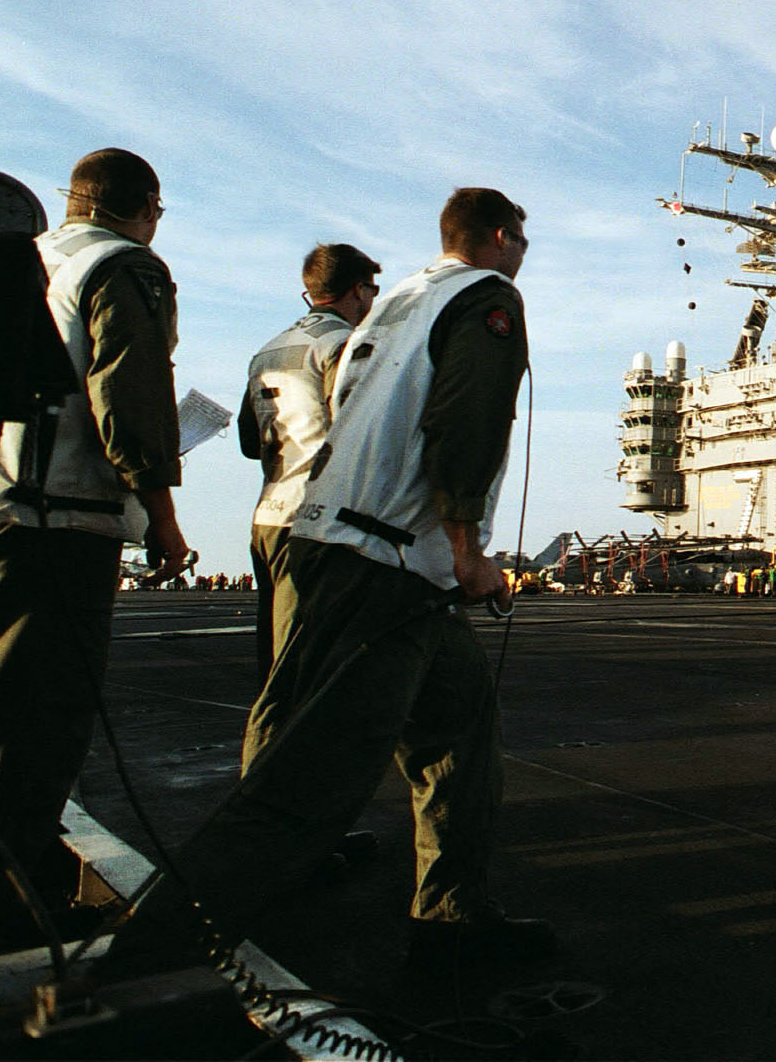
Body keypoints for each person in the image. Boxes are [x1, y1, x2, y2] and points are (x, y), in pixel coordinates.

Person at [104, 187, 547, 976]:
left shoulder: (396, 303)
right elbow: (465, 424)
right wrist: (470, 550)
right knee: (310, 786)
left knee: (462, 734)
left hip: (365, 553)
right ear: (499, 238)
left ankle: (453, 919)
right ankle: (139, 966)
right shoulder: (488, 297)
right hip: (382, 569)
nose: (522, 254)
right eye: (520, 240)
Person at [0, 149, 192, 948]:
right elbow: (130, 394)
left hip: (2, 509)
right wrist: (162, 516)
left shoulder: (25, 256)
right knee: (44, 720)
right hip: (62, 525)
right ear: (144, 207)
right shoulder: (127, 265)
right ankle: (8, 908)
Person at [239, 242, 381, 683]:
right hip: (318, 523)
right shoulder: (346, 345)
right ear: (357, 290)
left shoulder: (268, 349)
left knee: (277, 663)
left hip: (268, 518)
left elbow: (249, 441)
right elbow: (358, 431)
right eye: (372, 290)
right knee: (312, 670)